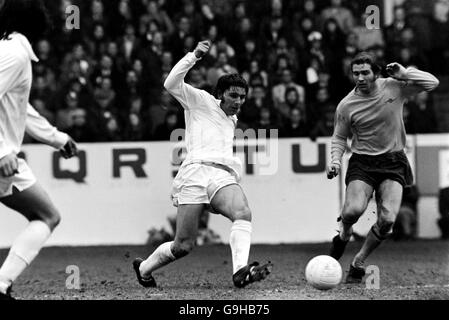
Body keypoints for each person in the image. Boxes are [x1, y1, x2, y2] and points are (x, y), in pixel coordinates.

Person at [133, 40, 273, 289]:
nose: (239, 101)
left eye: (242, 97)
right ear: (219, 94)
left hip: (221, 175)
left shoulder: (233, 119)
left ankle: (240, 270)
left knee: (243, 213)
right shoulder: (200, 100)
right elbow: (170, 83)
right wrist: (194, 56)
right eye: (233, 96)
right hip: (195, 173)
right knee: (183, 245)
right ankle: (144, 268)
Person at [326, 52, 439, 283]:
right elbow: (339, 137)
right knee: (352, 211)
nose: (360, 77)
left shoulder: (394, 86)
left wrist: (405, 73)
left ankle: (358, 262)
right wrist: (335, 160)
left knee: (387, 220)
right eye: (356, 73)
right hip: (363, 162)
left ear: (375, 72)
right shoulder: (346, 105)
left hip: (393, 161)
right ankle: (345, 233)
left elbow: (432, 83)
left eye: (365, 72)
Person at [0, 0, 78, 300]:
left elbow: (21, 108)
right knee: (46, 215)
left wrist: (56, 138)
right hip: (3, 159)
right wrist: (3, 151)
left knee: (46, 215)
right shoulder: (15, 54)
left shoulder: (10, 50)